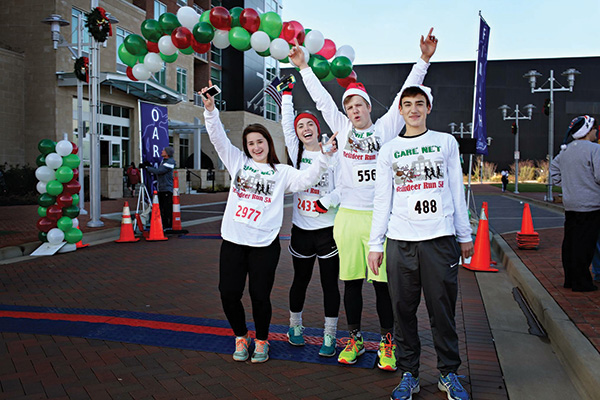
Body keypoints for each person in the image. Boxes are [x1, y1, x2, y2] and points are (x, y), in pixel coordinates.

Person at [288, 28, 438, 370]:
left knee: (383, 287)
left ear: (369, 107)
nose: (354, 110)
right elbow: (323, 100)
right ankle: (354, 340)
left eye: (359, 105)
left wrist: (424, 60)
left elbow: (404, 93)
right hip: (348, 220)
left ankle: (387, 343)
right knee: (352, 284)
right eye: (350, 106)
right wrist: (304, 68)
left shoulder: (385, 128)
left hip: (380, 220)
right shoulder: (341, 128)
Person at [200, 83, 337, 364]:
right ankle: (241, 335)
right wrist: (210, 111)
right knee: (228, 293)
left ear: (267, 144)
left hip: (264, 244)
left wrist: (323, 158)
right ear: (246, 147)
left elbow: (307, 180)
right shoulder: (237, 162)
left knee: (259, 296)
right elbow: (217, 139)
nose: (256, 146)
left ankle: (261, 340)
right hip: (234, 240)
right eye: (250, 143)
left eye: (260, 142)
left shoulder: (283, 172)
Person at [368, 85, 474, 400]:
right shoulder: (388, 150)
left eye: (419, 104)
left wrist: (464, 234)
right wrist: (376, 244)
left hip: (439, 239)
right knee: (403, 310)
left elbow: (456, 189)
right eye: (408, 104)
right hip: (400, 241)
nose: (414, 109)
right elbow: (381, 199)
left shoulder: (445, 143)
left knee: (442, 310)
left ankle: (448, 373)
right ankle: (409, 374)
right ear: (400, 110)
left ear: (428, 108)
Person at [281, 85, 341, 357]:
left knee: (330, 284)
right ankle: (295, 326)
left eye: (309, 124)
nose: (305, 128)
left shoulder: (333, 152)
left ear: (318, 128)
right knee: (300, 281)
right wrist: (286, 96)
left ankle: (330, 334)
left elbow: (344, 188)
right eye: (300, 126)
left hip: (328, 231)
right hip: (302, 231)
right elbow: (285, 123)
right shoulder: (297, 154)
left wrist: (325, 202)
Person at [550, 115, 600, 292]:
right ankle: (582, 282)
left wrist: (566, 184)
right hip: (591, 204)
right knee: (585, 245)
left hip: (571, 204)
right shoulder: (595, 149)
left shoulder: (565, 151)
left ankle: (570, 279)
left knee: (570, 243)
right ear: (588, 130)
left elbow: (553, 171)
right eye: (595, 129)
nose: (596, 132)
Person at [146, 146, 176, 230]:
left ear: (167, 153)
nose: (162, 151)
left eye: (163, 150)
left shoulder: (169, 162)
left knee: (166, 208)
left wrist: (147, 168)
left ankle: (168, 225)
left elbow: (159, 171)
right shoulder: (164, 161)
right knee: (162, 207)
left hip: (166, 189)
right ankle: (164, 224)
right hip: (162, 188)